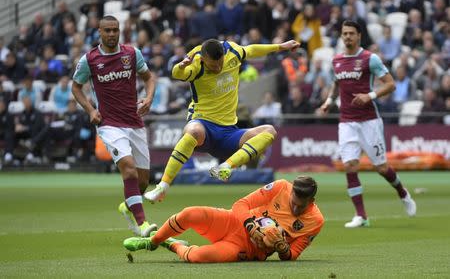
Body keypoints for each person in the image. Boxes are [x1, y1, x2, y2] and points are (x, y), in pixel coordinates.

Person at [144, 38, 300, 203]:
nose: (218, 68)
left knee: (269, 131)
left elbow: (252, 49)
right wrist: (181, 66)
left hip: (229, 132)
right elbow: (177, 73)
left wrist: (280, 47)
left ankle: (226, 167)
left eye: (220, 63)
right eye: (213, 65)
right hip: (204, 125)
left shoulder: (232, 51)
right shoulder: (196, 63)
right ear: (204, 60)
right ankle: (162, 187)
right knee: (193, 132)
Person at [318, 20, 416, 228]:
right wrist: (328, 102)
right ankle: (361, 216)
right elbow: (336, 85)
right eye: (344, 34)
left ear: (359, 36)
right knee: (350, 166)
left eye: (351, 33)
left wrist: (369, 95)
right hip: (346, 122)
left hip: (369, 121)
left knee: (381, 168)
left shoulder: (369, 59)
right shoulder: (336, 61)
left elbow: (390, 84)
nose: (347, 37)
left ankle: (402, 192)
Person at [71, 15, 157, 237]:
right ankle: (142, 225)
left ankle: (128, 206)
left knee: (144, 181)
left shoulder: (131, 53)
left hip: (134, 121)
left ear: (120, 31)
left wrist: (148, 99)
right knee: (127, 168)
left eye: (115, 30)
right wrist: (90, 110)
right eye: (107, 30)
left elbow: (149, 78)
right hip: (109, 124)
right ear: (99, 32)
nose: (111, 34)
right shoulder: (88, 60)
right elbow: (76, 87)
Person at [124, 175, 324, 263]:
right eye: (293, 202)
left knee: (197, 257)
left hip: (247, 249)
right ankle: (152, 242)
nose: (296, 208)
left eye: (301, 205)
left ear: (312, 201)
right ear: (290, 192)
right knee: (190, 214)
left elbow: (293, 255)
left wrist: (283, 250)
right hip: (234, 222)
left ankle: (173, 244)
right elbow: (240, 205)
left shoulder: (315, 221)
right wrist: (251, 226)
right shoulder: (281, 186)